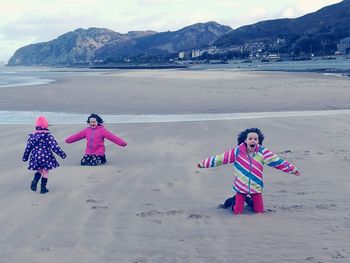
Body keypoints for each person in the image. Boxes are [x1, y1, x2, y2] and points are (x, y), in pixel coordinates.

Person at [197, 128, 300, 214]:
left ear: (258, 141)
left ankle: (248, 200)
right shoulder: (237, 151)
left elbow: (277, 161)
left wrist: (292, 169)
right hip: (241, 187)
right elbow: (221, 158)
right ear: (245, 140)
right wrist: (203, 163)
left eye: (255, 139)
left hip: (256, 187)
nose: (253, 141)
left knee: (259, 211)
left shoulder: (263, 153)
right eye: (250, 138)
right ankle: (233, 201)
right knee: (237, 212)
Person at [22, 116, 66, 194]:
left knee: (39, 170)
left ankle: (35, 180)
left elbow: (28, 147)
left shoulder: (32, 136)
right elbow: (54, 146)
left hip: (35, 156)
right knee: (45, 171)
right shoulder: (47, 136)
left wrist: (25, 157)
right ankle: (43, 188)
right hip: (46, 156)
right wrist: (62, 154)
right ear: (46, 125)